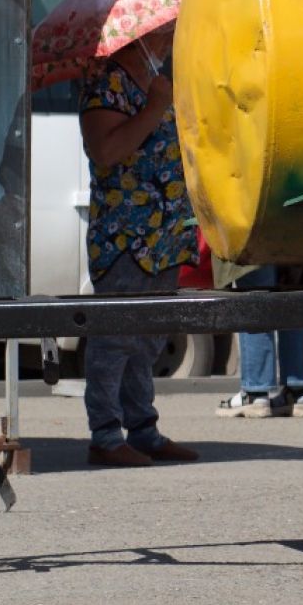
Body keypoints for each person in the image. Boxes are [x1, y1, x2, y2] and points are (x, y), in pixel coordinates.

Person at [79, 28, 201, 468]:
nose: (169, 42)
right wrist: (155, 108)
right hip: (125, 237)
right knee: (115, 339)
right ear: (135, 38)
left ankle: (143, 430)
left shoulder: (155, 82)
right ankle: (106, 436)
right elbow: (106, 150)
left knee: (149, 338)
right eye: (161, 36)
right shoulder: (106, 85)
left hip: (163, 235)